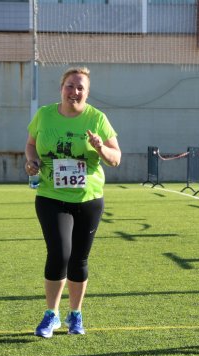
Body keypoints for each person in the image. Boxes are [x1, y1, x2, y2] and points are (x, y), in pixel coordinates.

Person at [25, 66, 121, 338]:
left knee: (79, 259)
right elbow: (30, 144)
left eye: (80, 88)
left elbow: (116, 159)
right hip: (50, 196)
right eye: (70, 85)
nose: (74, 91)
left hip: (88, 198)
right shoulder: (44, 115)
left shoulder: (97, 118)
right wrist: (30, 161)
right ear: (61, 88)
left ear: (87, 93)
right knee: (59, 252)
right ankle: (51, 315)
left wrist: (100, 147)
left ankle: (75, 315)